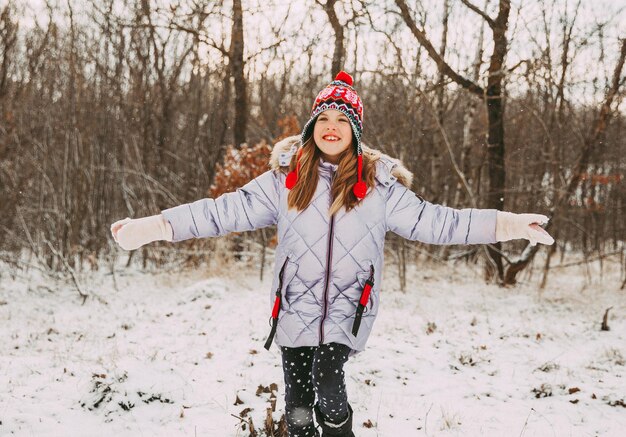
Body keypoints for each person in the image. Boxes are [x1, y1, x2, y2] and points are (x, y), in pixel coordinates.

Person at [110, 71, 554, 437]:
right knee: (300, 412)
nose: (332, 126)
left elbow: (442, 222)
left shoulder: (379, 188)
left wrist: (509, 225)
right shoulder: (284, 182)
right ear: (312, 127)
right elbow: (221, 212)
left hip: (348, 308)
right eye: (323, 117)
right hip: (293, 309)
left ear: (355, 130)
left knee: (328, 383)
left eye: (342, 119)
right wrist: (153, 227)